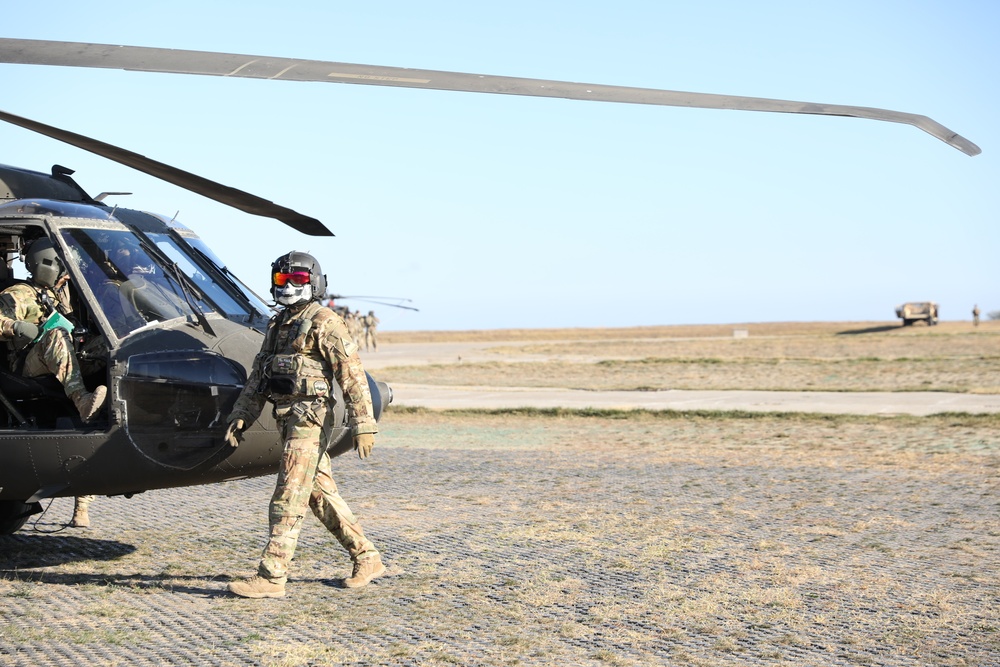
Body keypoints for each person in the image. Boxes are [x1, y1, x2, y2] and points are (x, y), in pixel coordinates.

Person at [225, 251, 384, 599]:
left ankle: (272, 575)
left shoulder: (325, 322)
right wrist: (242, 413)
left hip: (311, 422)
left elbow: (353, 376)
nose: (288, 287)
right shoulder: (278, 324)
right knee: (318, 494)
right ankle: (366, 556)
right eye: (282, 280)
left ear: (313, 282)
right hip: (287, 419)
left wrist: (363, 424)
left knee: (288, 495)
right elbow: (259, 375)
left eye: (296, 280)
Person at [0, 237, 107, 423]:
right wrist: (17, 326)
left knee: (108, 343)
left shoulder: (54, 295)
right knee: (57, 334)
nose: (66, 277)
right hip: (26, 363)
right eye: (64, 272)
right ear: (48, 266)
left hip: (57, 355)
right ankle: (82, 402)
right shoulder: (18, 294)